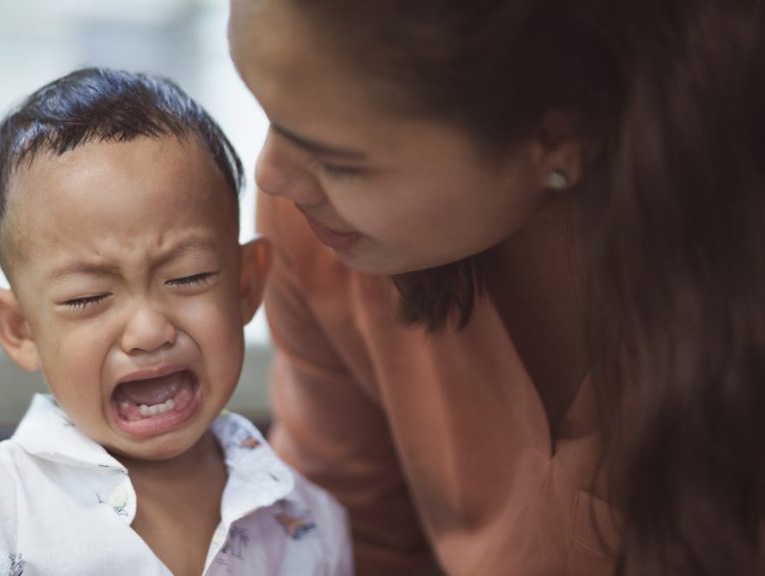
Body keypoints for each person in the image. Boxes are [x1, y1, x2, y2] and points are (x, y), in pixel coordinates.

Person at [228, 0, 764, 574]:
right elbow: (343, 541)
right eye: (270, 114)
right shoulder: (323, 238)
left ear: (560, 135)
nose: (271, 175)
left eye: (340, 162)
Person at [0, 67, 351, 576]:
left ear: (245, 287)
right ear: (19, 327)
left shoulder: (309, 521)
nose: (147, 332)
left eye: (188, 277)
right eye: (88, 297)